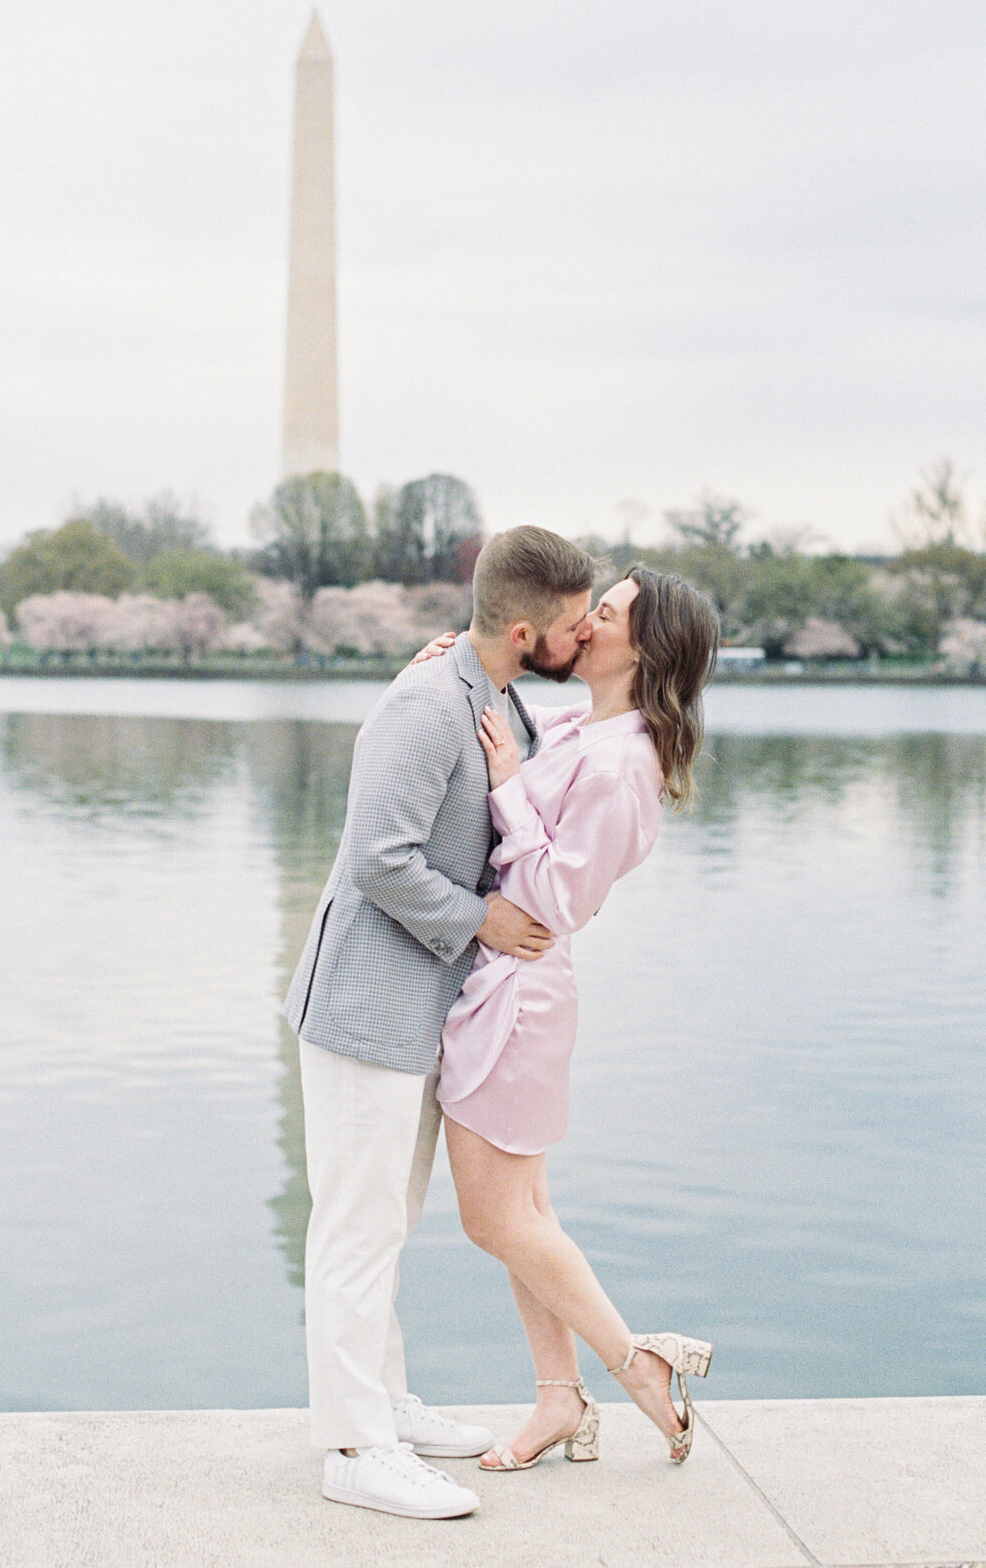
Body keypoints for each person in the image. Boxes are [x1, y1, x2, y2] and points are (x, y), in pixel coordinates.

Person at [282, 525, 596, 1520]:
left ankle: (383, 1402)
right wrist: (483, 920)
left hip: (423, 1011)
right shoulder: (427, 704)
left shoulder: (493, 693)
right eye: (575, 621)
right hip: (367, 1008)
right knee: (355, 1227)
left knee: (388, 1220)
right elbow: (379, 856)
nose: (585, 634)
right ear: (522, 627)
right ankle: (352, 1444)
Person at [424, 566, 719, 1473]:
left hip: (523, 990)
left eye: (607, 613)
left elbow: (557, 896)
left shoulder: (625, 762)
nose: (585, 622)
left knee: (493, 1220)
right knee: (529, 1212)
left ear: (648, 646)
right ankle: (558, 1401)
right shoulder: (577, 729)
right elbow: (504, 712)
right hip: (505, 985)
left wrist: (510, 791)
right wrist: (456, 664)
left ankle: (638, 1366)